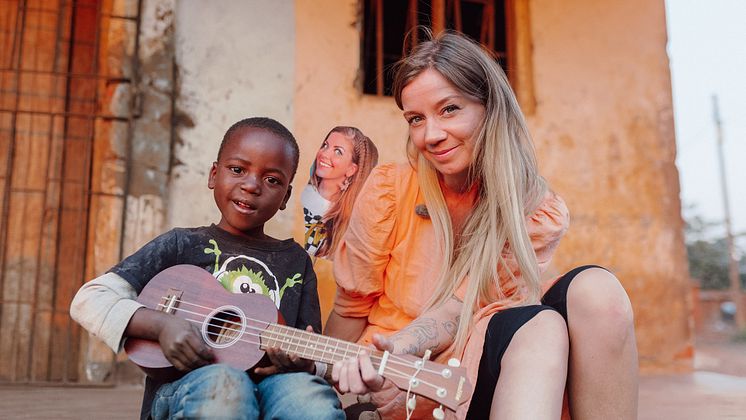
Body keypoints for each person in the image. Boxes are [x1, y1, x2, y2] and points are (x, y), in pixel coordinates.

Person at [325, 31, 638, 419]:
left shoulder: (535, 210)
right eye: (416, 119)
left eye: (450, 109)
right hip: (393, 381)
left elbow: (462, 306)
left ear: (490, 107)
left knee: (598, 293)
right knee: (540, 327)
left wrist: (406, 341)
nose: (432, 135)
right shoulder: (390, 190)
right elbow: (351, 308)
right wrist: (324, 382)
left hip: (477, 370)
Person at [70, 117, 345, 420]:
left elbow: (313, 346)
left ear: (286, 197)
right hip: (185, 391)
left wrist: (304, 364)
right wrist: (160, 325)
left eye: (272, 180)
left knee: (310, 398)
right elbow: (90, 299)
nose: (252, 185)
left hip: (273, 391)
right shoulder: (181, 245)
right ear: (214, 175)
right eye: (238, 170)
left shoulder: (296, 262)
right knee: (226, 384)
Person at [301, 126, 378, 322]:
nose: (324, 154)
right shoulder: (305, 196)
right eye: (325, 145)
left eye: (338, 151)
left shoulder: (350, 222)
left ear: (352, 169)